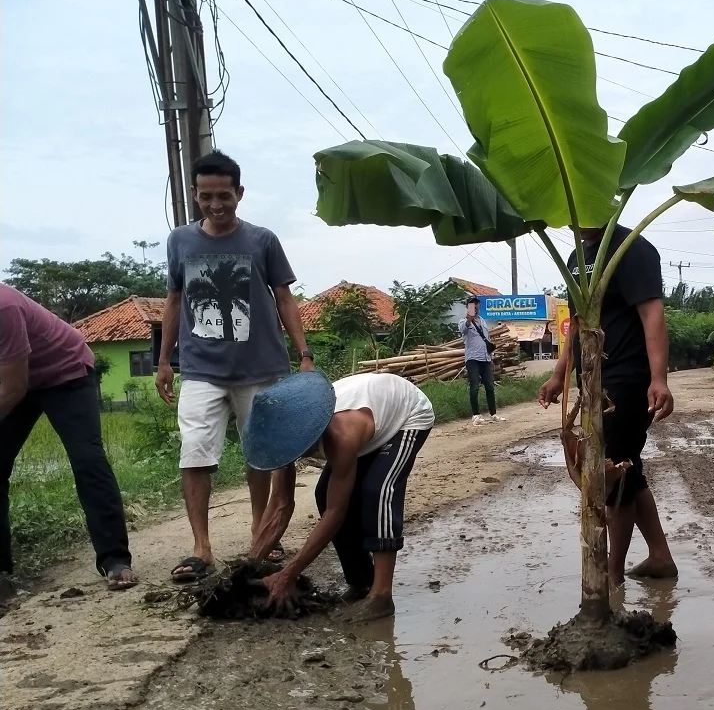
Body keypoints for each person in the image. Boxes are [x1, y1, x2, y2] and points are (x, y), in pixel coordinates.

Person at [156, 150, 315, 583]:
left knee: (260, 455)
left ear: (239, 194)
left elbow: (285, 298)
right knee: (195, 454)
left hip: (260, 369)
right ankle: (200, 549)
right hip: (201, 369)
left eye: (223, 195)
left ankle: (259, 538)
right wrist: (164, 360)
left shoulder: (262, 240)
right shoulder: (180, 241)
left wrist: (304, 355)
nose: (215, 204)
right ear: (194, 194)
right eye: (206, 196)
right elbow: (173, 301)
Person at [538, 225, 676, 586]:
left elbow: (652, 315)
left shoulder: (632, 248)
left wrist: (658, 378)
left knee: (609, 475)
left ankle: (610, 579)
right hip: (593, 379)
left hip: (628, 378)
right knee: (628, 470)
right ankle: (659, 556)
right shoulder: (576, 259)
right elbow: (579, 325)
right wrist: (559, 374)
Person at [243, 371, 434, 622]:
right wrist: (247, 570)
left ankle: (381, 595)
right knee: (324, 495)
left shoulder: (341, 435)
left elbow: (337, 513)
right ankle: (361, 582)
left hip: (406, 415)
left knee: (378, 492)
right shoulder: (283, 436)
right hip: (367, 423)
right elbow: (280, 505)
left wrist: (288, 574)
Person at [0, 286, 135, 588]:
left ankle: (114, 559)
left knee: (87, 459)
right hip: (14, 378)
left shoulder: (4, 307)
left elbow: (14, 387)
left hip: (66, 371)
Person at [459, 296, 504, 426]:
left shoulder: (483, 321)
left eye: (477, 306)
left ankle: (493, 414)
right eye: (473, 306)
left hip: (485, 357)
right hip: (472, 358)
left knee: (490, 386)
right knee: (474, 386)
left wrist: (491, 358)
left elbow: (487, 339)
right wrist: (469, 318)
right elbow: (463, 329)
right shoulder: (463, 321)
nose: (476, 308)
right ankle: (476, 415)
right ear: (468, 307)